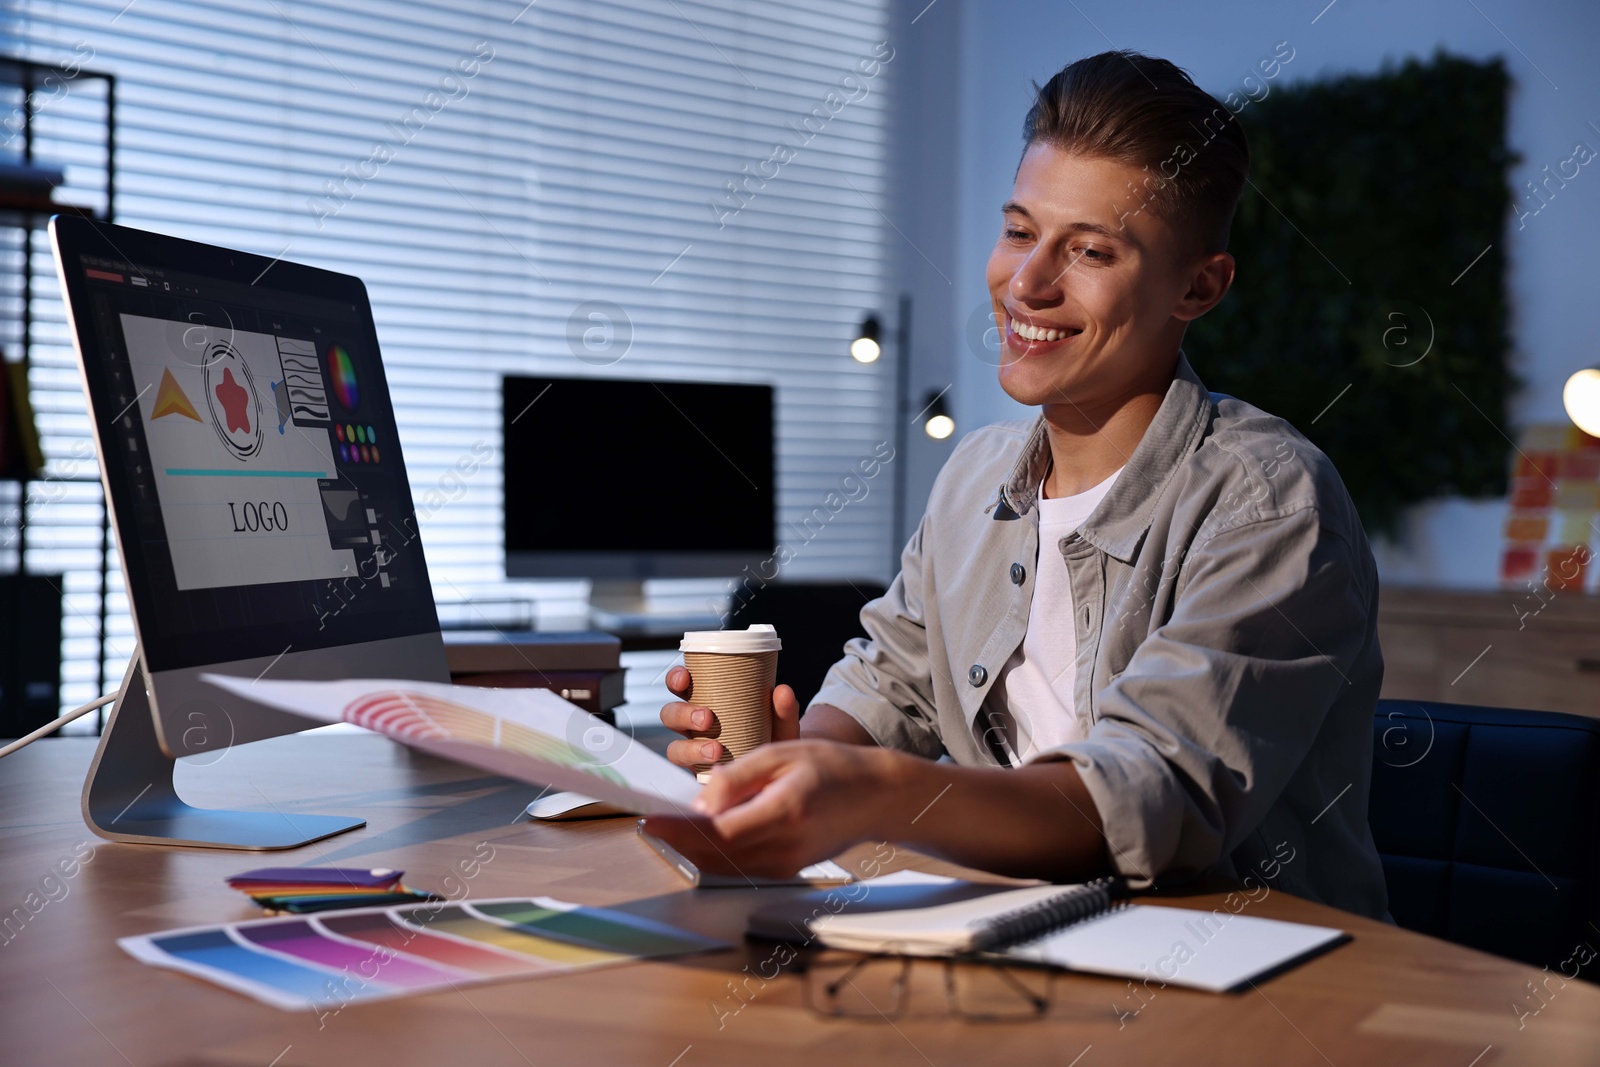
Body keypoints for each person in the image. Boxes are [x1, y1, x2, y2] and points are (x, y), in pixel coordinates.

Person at [645, 50, 1389, 920]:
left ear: (1199, 286)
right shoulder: (975, 477)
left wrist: (874, 791)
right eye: (1019, 231)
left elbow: (1148, 795)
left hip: (1244, 981)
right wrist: (792, 762)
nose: (1027, 283)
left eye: (1091, 251)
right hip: (1022, 941)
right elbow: (891, 686)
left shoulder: (1269, 501)